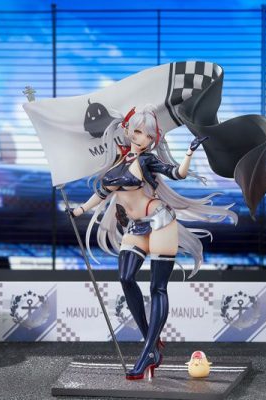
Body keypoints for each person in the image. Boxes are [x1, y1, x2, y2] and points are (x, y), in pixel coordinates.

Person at [68, 104, 237, 380]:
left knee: (157, 287)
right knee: (126, 277)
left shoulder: (147, 160)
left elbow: (176, 173)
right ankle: (151, 341)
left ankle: (147, 352)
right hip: (136, 226)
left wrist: (189, 153)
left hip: (160, 221)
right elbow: (102, 193)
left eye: (148, 135)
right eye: (137, 132)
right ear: (127, 131)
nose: (141, 138)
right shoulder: (117, 161)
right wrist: (79, 211)